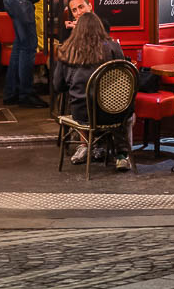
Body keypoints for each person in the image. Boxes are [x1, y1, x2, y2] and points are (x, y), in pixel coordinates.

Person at [51, 11, 133, 170]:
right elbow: (123, 79)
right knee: (126, 113)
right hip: (111, 111)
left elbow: (58, 86)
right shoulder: (113, 48)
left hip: (82, 113)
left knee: (80, 101)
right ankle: (121, 155)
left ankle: (87, 146)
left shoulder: (66, 50)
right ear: (100, 28)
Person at [1, 0, 47, 108]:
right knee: (29, 46)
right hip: (20, 0)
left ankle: (11, 93)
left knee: (20, 46)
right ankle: (25, 95)